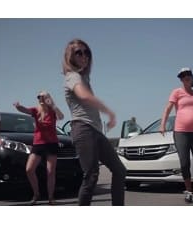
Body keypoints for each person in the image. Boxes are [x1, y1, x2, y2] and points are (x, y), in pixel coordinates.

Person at [62, 39, 126, 206]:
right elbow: (84, 96)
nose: (84, 56)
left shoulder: (84, 78)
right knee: (90, 176)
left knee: (119, 170)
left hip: (95, 131)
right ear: (70, 57)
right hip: (83, 129)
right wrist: (109, 112)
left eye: (87, 52)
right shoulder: (72, 76)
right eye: (79, 52)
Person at [13, 91, 64, 205]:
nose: (40, 98)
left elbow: (61, 116)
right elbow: (25, 110)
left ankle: (51, 197)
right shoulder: (36, 110)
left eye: (43, 96)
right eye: (39, 97)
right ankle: (36, 193)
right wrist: (18, 106)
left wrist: (53, 105)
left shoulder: (52, 111)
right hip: (38, 143)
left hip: (51, 144)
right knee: (29, 169)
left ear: (48, 98)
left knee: (50, 172)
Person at [160, 67, 193, 204]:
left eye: (187, 75)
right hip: (181, 132)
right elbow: (168, 108)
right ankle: (189, 190)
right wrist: (162, 125)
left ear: (191, 77)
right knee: (184, 162)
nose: (185, 77)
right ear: (181, 80)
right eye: (182, 76)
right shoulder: (176, 92)